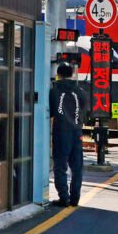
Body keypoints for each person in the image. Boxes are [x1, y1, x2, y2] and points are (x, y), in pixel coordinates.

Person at [49, 62, 87, 207]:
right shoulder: (81, 91)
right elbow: (84, 111)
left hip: (61, 132)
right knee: (77, 167)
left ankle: (64, 198)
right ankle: (75, 199)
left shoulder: (54, 91)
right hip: (77, 132)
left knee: (60, 166)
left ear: (58, 74)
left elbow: (51, 111)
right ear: (72, 74)